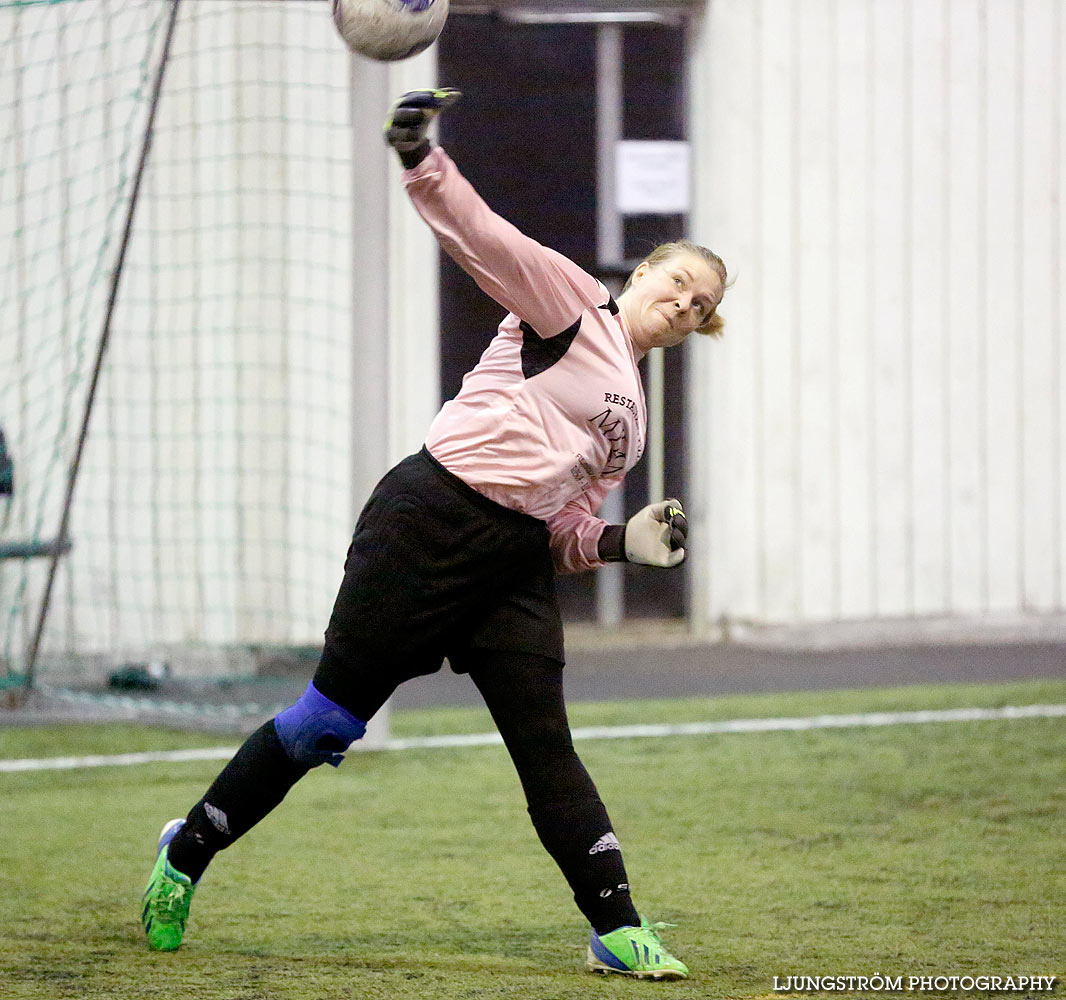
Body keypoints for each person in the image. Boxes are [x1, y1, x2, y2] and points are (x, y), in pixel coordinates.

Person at [141, 88, 728, 981]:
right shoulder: (570, 304)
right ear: (643, 272)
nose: (684, 303)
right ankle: (185, 855)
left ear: (696, 330)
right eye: (678, 281)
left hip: (511, 569)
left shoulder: (633, 425)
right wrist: (422, 157)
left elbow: (564, 529)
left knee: (547, 750)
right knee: (324, 724)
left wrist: (619, 543)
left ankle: (617, 928)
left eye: (701, 305)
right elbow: (483, 237)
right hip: (426, 520)